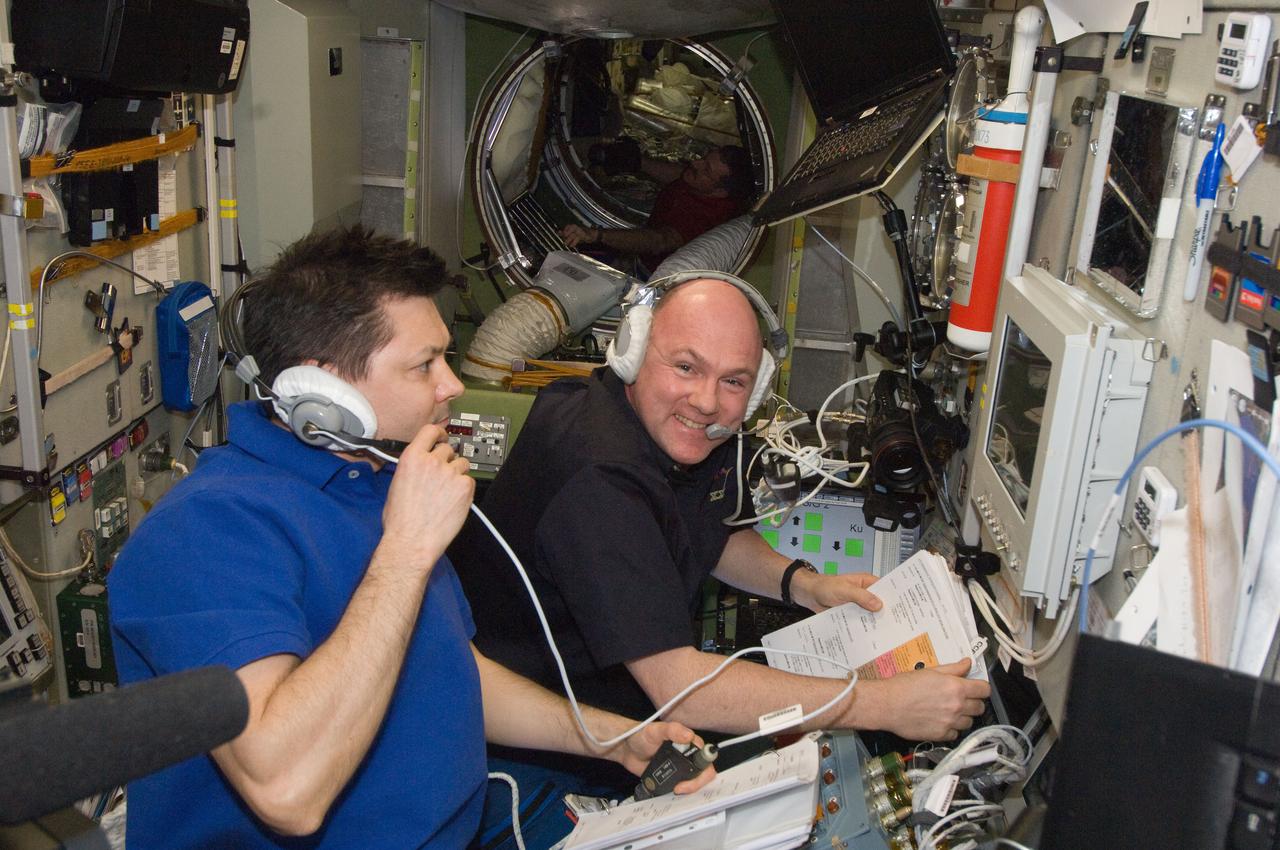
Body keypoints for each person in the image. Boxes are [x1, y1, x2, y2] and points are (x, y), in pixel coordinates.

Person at [107, 226, 713, 850]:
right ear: (323, 389)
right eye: (424, 364)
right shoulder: (206, 532)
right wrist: (405, 552)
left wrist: (611, 739)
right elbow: (286, 789)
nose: (451, 385)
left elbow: (453, 670)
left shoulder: (377, 475)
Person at [454, 276, 990, 792]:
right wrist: (883, 704)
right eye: (686, 367)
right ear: (632, 351)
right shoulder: (598, 477)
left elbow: (708, 533)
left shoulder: (675, 426)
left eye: (733, 381)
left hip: (624, 720)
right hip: (540, 754)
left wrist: (804, 585)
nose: (707, 402)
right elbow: (681, 688)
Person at [561, 144, 753, 271]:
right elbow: (681, 175)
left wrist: (597, 235)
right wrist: (638, 162)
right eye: (703, 158)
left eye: (706, 169)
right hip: (637, 259)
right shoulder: (701, 183)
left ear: (720, 192)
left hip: (646, 274)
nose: (695, 163)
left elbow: (660, 240)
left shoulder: (710, 218)